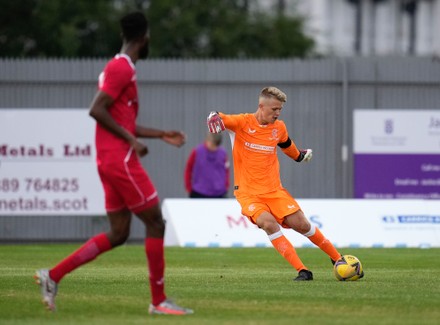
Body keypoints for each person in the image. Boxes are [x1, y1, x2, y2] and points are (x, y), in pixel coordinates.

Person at [34, 12, 193, 315]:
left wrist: (160, 134)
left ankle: (52, 276)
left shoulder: (118, 66)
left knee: (119, 233)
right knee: (156, 222)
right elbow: (96, 109)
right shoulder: (122, 69)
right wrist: (131, 141)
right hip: (120, 160)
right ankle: (158, 301)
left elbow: (121, 120)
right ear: (143, 39)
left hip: (109, 159)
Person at [206, 86, 345, 281]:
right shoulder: (241, 123)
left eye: (280, 109)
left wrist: (299, 156)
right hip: (248, 194)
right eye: (274, 109)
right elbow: (219, 116)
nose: (277, 113)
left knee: (302, 224)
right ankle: (302, 270)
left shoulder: (279, 127)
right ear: (261, 106)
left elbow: (286, 144)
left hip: (274, 191)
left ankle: (338, 259)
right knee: (268, 223)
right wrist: (213, 117)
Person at [184, 132, 230, 198]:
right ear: (207, 140)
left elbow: (226, 171)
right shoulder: (197, 152)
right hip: (199, 193)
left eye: (216, 145)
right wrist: (189, 187)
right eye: (212, 144)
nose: (214, 148)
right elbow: (188, 169)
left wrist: (226, 186)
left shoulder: (223, 154)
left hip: (219, 194)